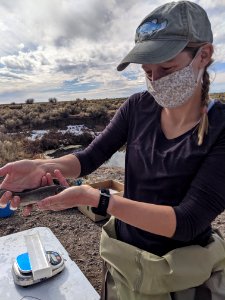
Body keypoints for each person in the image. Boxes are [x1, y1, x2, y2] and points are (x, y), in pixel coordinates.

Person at [1, 1, 225, 299]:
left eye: (168, 68)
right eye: (147, 71)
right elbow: (89, 157)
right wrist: (40, 167)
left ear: (203, 56)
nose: (155, 82)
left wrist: (98, 199)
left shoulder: (222, 127)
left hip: (183, 276)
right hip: (124, 259)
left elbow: (187, 221)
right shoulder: (137, 107)